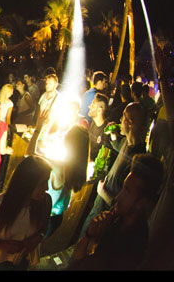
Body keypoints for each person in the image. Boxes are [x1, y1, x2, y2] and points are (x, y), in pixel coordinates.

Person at [70, 153, 164, 270]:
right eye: (123, 187)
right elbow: (77, 255)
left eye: (127, 191)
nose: (118, 196)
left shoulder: (134, 245)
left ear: (141, 202)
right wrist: (90, 233)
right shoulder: (117, 215)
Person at [0, 155, 52, 271]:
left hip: (17, 264)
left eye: (47, 181)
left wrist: (37, 239)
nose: (47, 188)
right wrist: (2, 245)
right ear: (27, 183)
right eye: (42, 183)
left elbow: (43, 229)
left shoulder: (45, 202)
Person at [79, 102, 147, 238]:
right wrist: (114, 136)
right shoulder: (128, 141)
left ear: (130, 123)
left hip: (104, 216)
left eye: (123, 116)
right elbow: (120, 149)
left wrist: (102, 192)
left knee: (86, 242)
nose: (120, 120)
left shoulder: (137, 160)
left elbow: (125, 206)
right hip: (99, 206)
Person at [87, 93, 111, 162]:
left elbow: (104, 158)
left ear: (99, 110)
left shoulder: (106, 131)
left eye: (93, 105)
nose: (89, 107)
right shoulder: (93, 124)